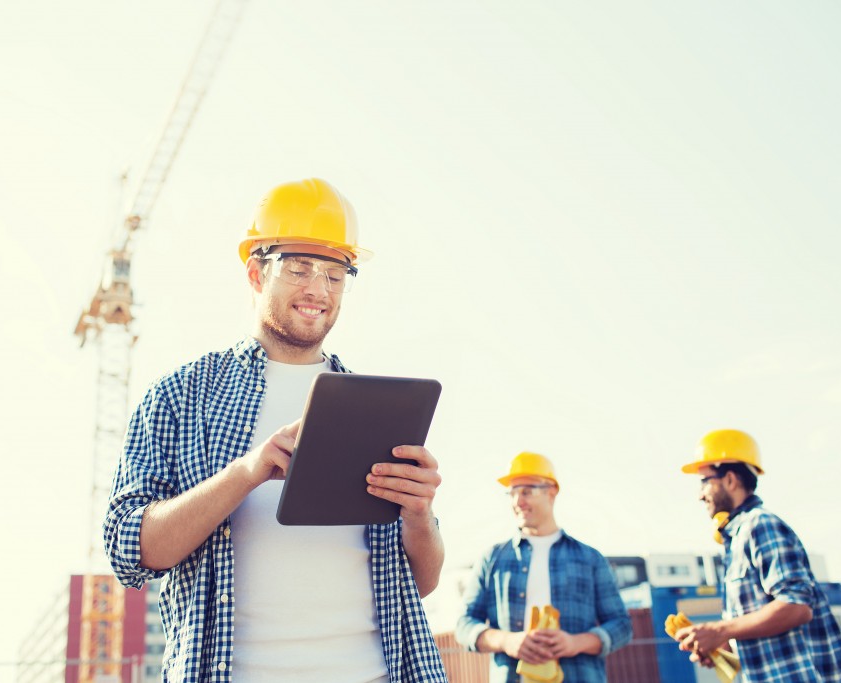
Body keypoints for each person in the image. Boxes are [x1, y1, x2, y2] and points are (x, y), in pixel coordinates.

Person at [103, 178, 448, 683]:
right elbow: (128, 551)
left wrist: (420, 514)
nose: (318, 290)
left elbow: (420, 583)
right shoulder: (181, 395)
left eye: (336, 274)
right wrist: (247, 471)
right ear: (255, 272)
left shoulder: (376, 407)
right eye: (299, 268)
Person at [673, 429, 841, 683]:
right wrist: (722, 645)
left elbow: (796, 606)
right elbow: (763, 626)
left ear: (730, 479)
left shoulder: (760, 525)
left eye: (704, 481)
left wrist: (720, 630)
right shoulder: (736, 539)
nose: (700, 494)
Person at [455, 452, 632, 682]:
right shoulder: (492, 559)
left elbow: (622, 626)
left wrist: (574, 643)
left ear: (552, 491)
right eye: (512, 493)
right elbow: (464, 625)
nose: (518, 502)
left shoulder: (590, 559)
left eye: (526, 492)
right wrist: (507, 641)